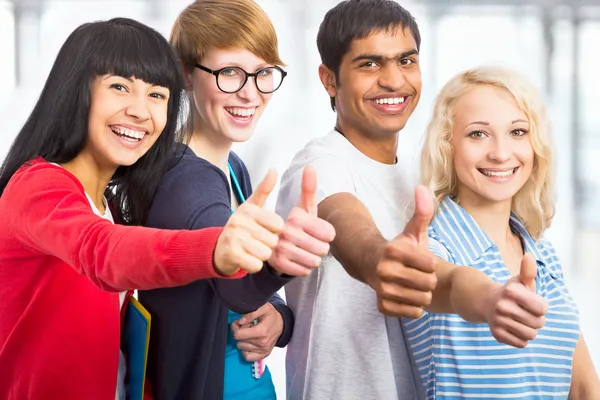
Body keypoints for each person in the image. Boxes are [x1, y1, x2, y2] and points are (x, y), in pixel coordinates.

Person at [0, 17, 297, 400]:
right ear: (77, 93)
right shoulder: (38, 186)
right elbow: (103, 252)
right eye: (119, 87)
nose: (141, 111)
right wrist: (214, 248)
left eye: (157, 94)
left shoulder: (108, 202)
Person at [275, 1, 550, 399]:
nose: (393, 80)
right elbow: (357, 239)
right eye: (369, 64)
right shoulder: (319, 167)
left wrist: (491, 297)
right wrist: (380, 261)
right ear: (329, 80)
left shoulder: (420, 180)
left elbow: (444, 281)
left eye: (406, 60)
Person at [138, 1, 335, 400]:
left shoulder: (233, 168)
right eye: (229, 72)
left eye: (263, 74)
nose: (250, 93)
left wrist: (279, 317)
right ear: (185, 75)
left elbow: (241, 292)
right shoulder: (185, 181)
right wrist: (282, 263)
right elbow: (234, 286)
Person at [403, 65, 600, 399]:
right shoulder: (433, 247)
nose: (500, 152)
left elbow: (582, 388)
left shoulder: (541, 253)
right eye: (477, 134)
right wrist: (492, 298)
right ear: (447, 146)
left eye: (518, 132)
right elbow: (448, 283)